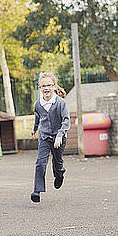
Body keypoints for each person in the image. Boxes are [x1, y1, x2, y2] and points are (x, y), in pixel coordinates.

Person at [30, 72, 70, 203]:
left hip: (59, 137)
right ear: (39, 88)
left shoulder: (60, 103)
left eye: (49, 85)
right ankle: (37, 190)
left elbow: (66, 121)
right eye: (43, 86)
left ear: (54, 86)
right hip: (45, 137)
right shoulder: (38, 104)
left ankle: (60, 174)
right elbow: (38, 117)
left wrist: (60, 135)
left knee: (57, 162)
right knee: (40, 163)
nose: (46, 88)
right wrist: (35, 128)